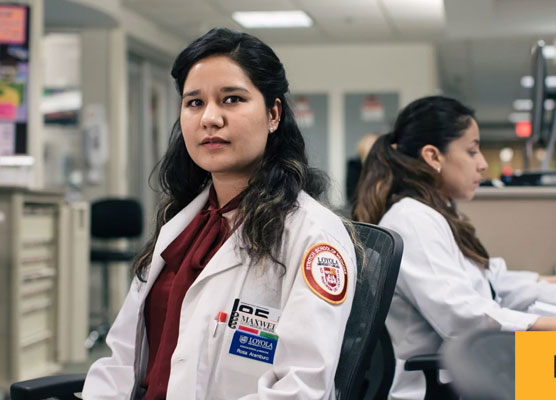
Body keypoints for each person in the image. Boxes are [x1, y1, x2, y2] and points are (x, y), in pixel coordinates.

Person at [83, 28, 356, 400]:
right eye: (194, 103)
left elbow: (300, 389)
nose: (210, 118)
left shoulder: (313, 236)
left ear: (273, 113)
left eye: (232, 99)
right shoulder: (182, 224)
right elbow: (120, 361)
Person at [352, 96, 556, 400]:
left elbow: (497, 284)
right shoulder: (412, 221)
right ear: (433, 156)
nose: (481, 164)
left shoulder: (436, 213)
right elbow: (465, 318)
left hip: (467, 372)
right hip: (443, 386)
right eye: (472, 151)